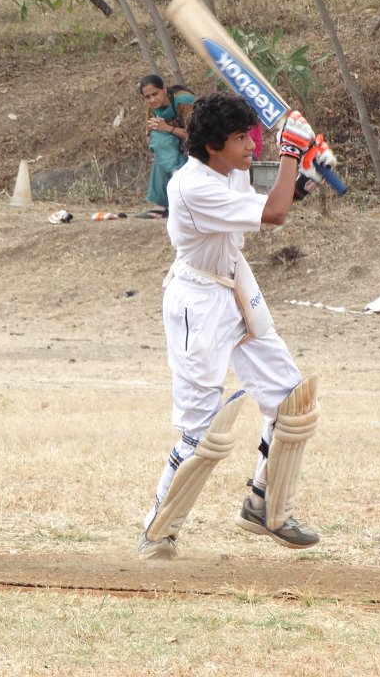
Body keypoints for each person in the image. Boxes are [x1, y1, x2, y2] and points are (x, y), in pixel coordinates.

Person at [137, 92, 328, 560]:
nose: (251, 146)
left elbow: (273, 203)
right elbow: (274, 214)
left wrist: (305, 171)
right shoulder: (191, 187)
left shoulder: (231, 170)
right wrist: (290, 151)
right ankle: (157, 531)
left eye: (251, 135)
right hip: (197, 301)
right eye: (241, 138)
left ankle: (264, 507)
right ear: (212, 146)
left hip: (235, 282)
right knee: (203, 431)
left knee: (291, 402)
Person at [137, 74, 195, 219]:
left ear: (164, 89)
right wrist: (161, 148)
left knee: (162, 143)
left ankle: (164, 201)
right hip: (174, 149)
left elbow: (196, 134)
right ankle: (175, 176)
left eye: (155, 94)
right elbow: (149, 137)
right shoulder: (152, 109)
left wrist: (167, 128)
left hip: (196, 144)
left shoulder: (184, 101)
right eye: (147, 97)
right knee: (160, 146)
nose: (152, 100)